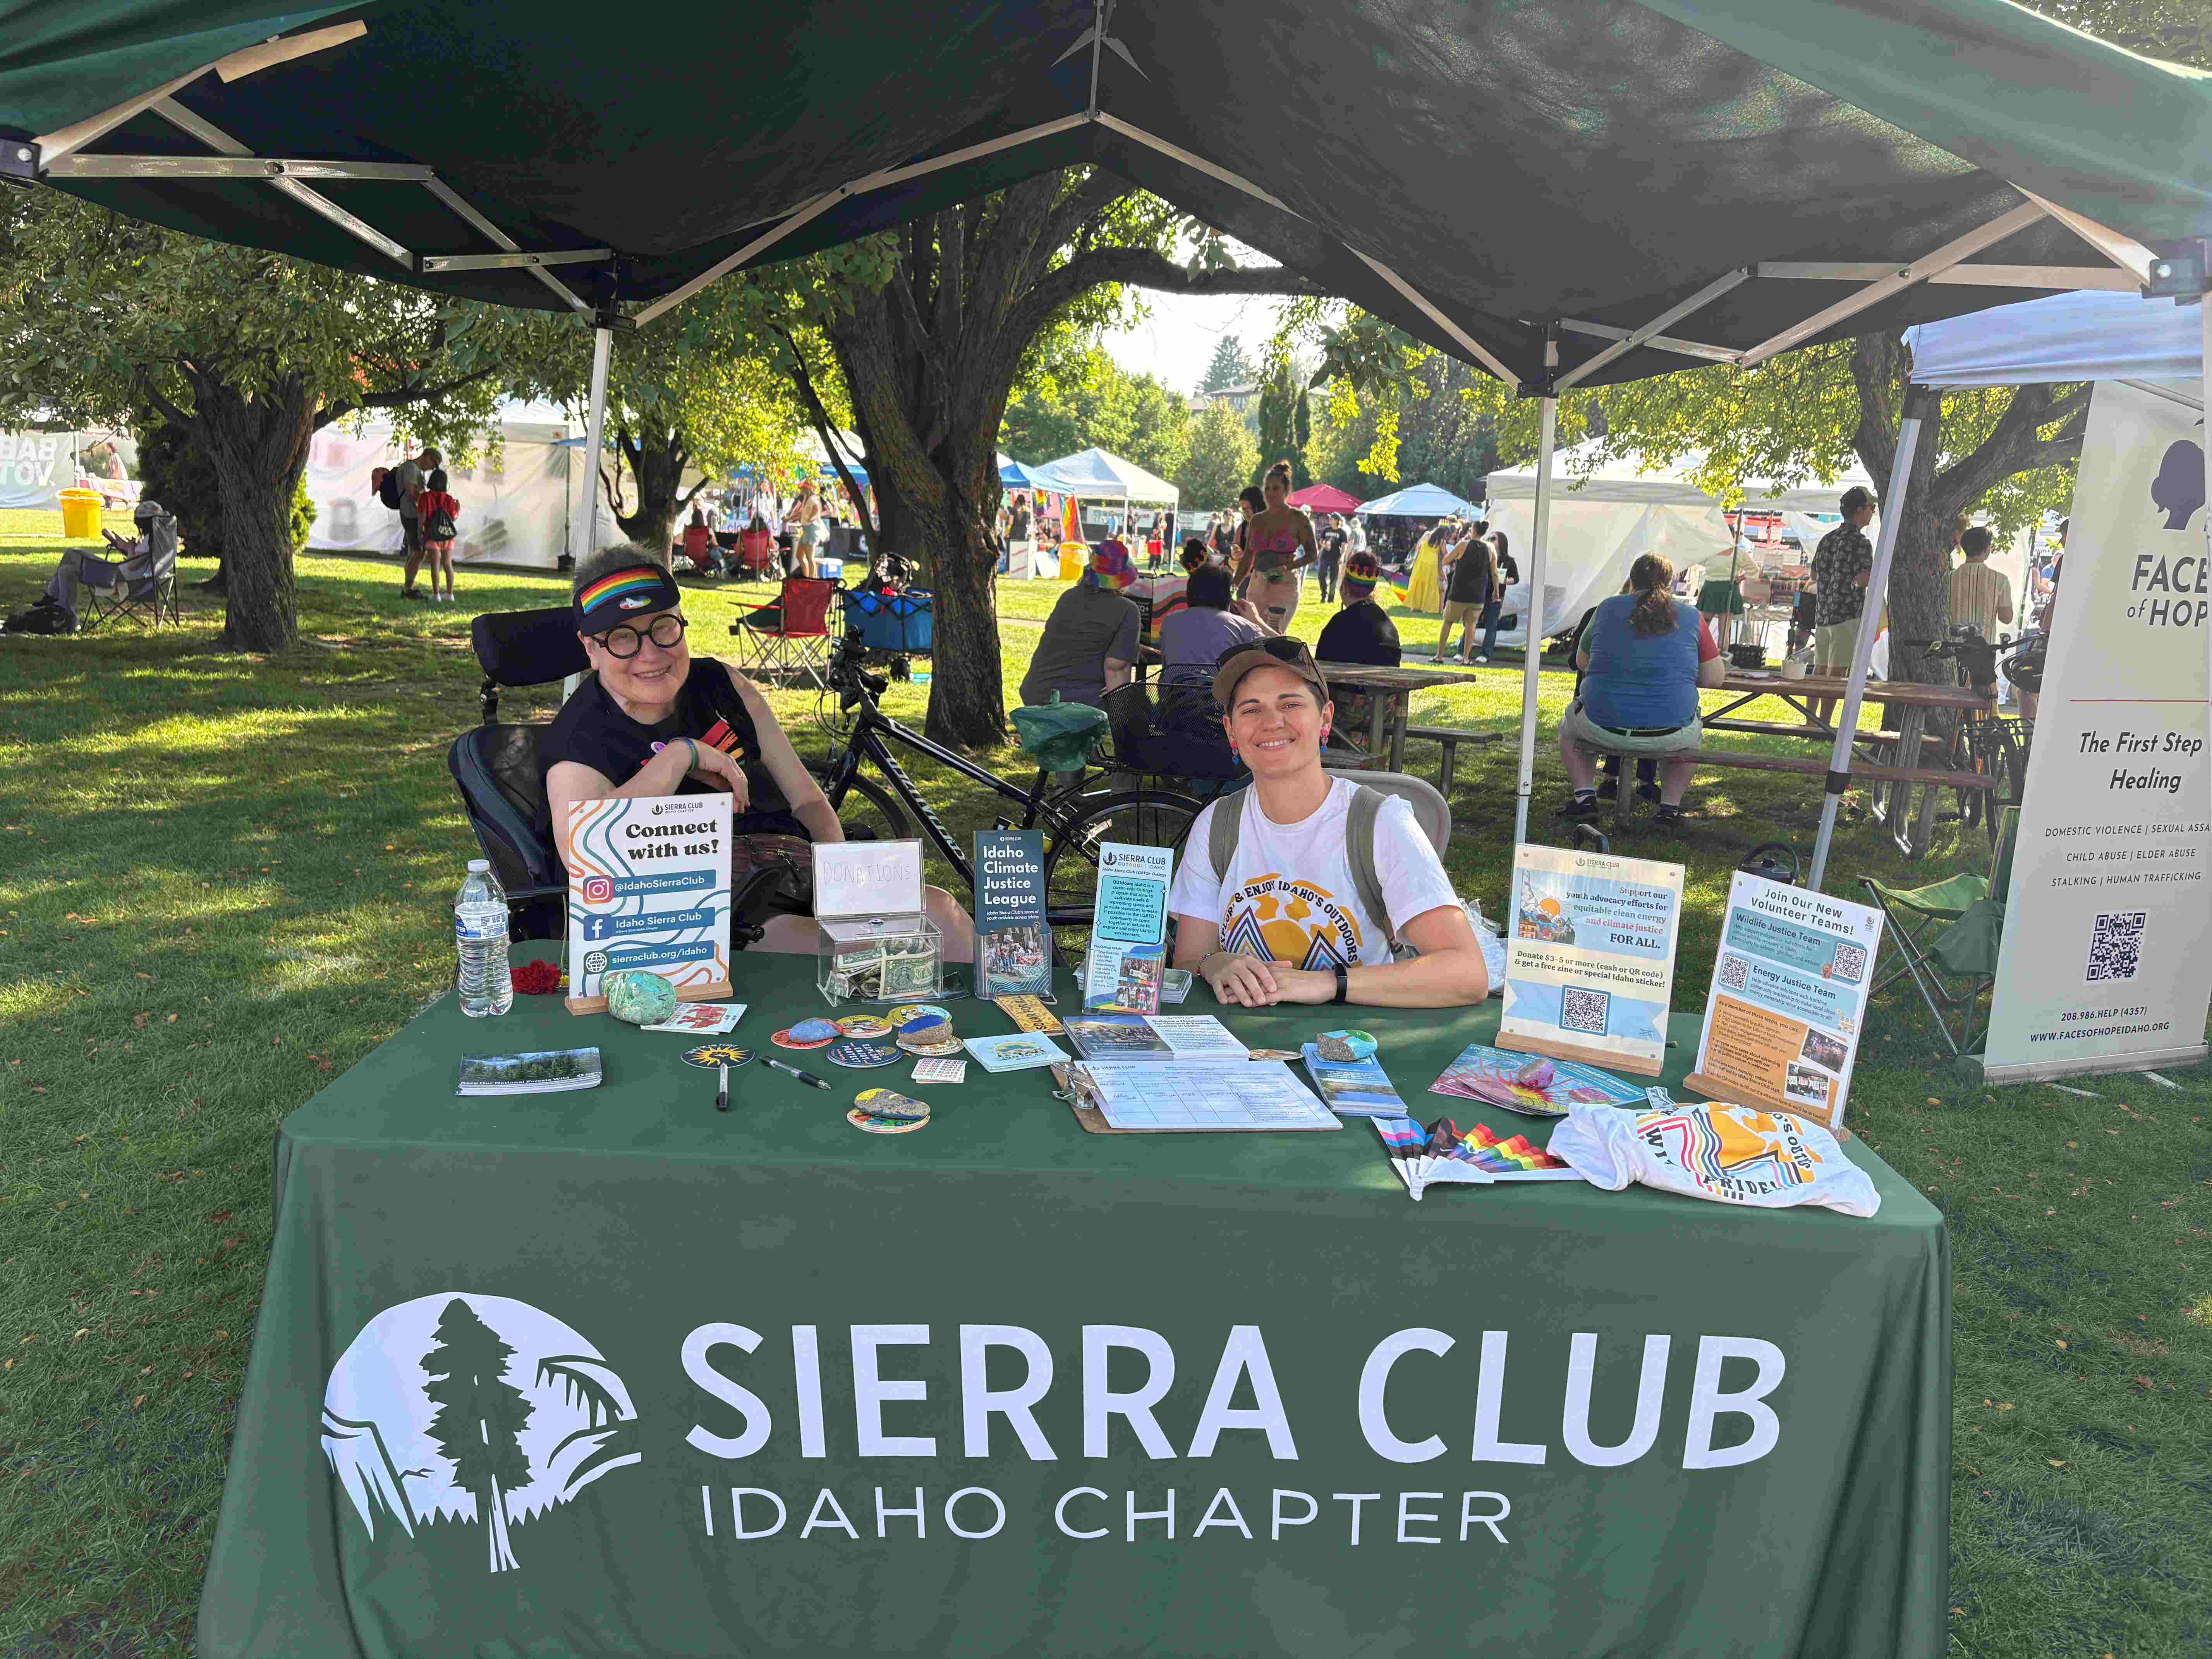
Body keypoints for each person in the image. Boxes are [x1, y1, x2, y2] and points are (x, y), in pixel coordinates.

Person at [540, 548, 972, 956]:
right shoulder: (579, 740)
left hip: (797, 873)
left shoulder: (721, 686)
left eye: (664, 627)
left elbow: (806, 800)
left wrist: (846, 888)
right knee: (876, 946)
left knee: (942, 915)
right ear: (591, 649)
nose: (650, 653)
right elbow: (587, 851)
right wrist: (678, 758)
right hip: (719, 922)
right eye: (622, 638)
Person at [1168, 637, 1487, 1008]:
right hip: (1243, 1048)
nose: (1272, 723)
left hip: (1358, 1045)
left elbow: (1467, 974)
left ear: (1325, 718)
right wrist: (1213, 963)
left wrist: (1325, 985)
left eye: (1291, 704)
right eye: (1251, 710)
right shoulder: (1217, 825)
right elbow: (1187, 965)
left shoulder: (1381, 824)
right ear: (1231, 731)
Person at [1556, 553, 1725, 829]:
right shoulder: (1692, 617)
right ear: (1670, 582)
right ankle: (1669, 809)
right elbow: (1715, 678)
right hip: (1671, 732)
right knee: (1692, 739)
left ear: (1632, 580)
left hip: (1601, 725)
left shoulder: (1606, 609)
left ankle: (1584, 797)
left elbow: (1581, 662)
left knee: (1568, 726)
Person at [1019, 539, 1141, 709]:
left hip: (1036, 692)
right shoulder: (1128, 609)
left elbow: (1078, 640)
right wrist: (1119, 707)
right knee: (1143, 705)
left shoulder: (1068, 597)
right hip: (1077, 701)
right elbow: (1116, 670)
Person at [1807, 484, 1877, 724]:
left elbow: (1814, 575)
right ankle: (1824, 725)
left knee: (1820, 669)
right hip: (1847, 615)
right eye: (1871, 507)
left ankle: (1810, 722)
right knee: (1837, 672)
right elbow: (1866, 579)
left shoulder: (1827, 539)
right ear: (1860, 510)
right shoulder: (1862, 543)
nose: (1873, 512)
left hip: (1823, 613)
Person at [1236, 460, 1317, 630]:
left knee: (1274, 636)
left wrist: (1287, 568)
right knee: (1252, 635)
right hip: (1257, 584)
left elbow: (1312, 554)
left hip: (1285, 584)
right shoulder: (1257, 520)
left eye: (1275, 488)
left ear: (1286, 490)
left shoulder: (1299, 519)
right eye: (1267, 489)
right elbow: (1248, 557)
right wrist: (1232, 586)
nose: (1270, 493)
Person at [1159, 563, 1267, 684]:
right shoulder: (1245, 627)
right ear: (1229, 597)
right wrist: (1257, 621)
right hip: (1222, 701)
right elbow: (1283, 652)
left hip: (1172, 699)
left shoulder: (1169, 622)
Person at [1317, 551, 1400, 668]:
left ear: (1344, 588)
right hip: (1384, 687)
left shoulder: (1338, 625)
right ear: (1372, 590)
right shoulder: (1387, 625)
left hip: (1345, 686)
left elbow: (1321, 671)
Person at [1948, 525, 2014, 672]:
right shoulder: (2000, 580)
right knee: (1981, 693)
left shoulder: (1950, 578)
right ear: (1986, 550)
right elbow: (2006, 618)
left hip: (1954, 649)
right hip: (1985, 649)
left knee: (1953, 692)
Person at [1437, 519, 1494, 662]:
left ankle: (1440, 656)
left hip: (1459, 592)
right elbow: (1494, 573)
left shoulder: (1463, 545)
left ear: (1473, 530)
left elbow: (1445, 561)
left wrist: (1453, 557)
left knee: (1448, 622)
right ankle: (1466, 658)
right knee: (1471, 626)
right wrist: (1497, 592)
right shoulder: (1490, 548)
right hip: (1478, 594)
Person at [392, 445, 436, 601]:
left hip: (412, 515)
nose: (432, 469)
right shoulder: (411, 469)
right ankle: (407, 590)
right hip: (412, 515)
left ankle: (408, 588)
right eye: (434, 464)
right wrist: (429, 503)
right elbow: (412, 493)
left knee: (414, 553)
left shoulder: (415, 469)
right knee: (419, 553)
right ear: (427, 457)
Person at [417, 467, 461, 603]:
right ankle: (450, 594)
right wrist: (458, 509)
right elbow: (453, 518)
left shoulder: (425, 497)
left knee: (435, 565)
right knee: (448, 564)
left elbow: (422, 518)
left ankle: (436, 595)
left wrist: (420, 531)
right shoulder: (449, 500)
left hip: (432, 536)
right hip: (447, 536)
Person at [1403, 520, 1445, 613]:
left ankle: (1414, 606)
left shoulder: (1427, 535)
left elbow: (1418, 548)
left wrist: (1414, 560)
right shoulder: (1442, 541)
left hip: (1421, 562)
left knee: (1417, 583)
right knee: (1430, 585)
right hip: (1432, 565)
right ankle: (1426, 608)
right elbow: (1444, 554)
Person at [788, 480, 825, 578]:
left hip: (812, 529)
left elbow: (817, 510)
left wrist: (811, 518)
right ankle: (807, 576)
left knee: (810, 557)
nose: (800, 490)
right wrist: (789, 519)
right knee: (800, 555)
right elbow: (800, 513)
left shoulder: (813, 499)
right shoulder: (806, 499)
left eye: (801, 488)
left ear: (806, 489)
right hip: (806, 529)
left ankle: (812, 579)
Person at [1315, 513, 1349, 602]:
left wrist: (1342, 557)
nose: (1329, 520)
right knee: (1321, 576)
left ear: (1337, 520)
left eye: (1331, 519)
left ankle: (1331, 599)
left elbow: (1344, 547)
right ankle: (1324, 595)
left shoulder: (1342, 532)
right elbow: (1321, 541)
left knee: (1334, 578)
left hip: (1336, 557)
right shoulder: (1326, 530)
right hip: (1325, 556)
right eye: (1330, 519)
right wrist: (1324, 545)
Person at [679, 506, 719, 577]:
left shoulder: (687, 530)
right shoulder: (708, 530)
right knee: (716, 552)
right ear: (702, 519)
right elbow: (715, 545)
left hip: (689, 556)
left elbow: (682, 541)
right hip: (703, 557)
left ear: (692, 518)